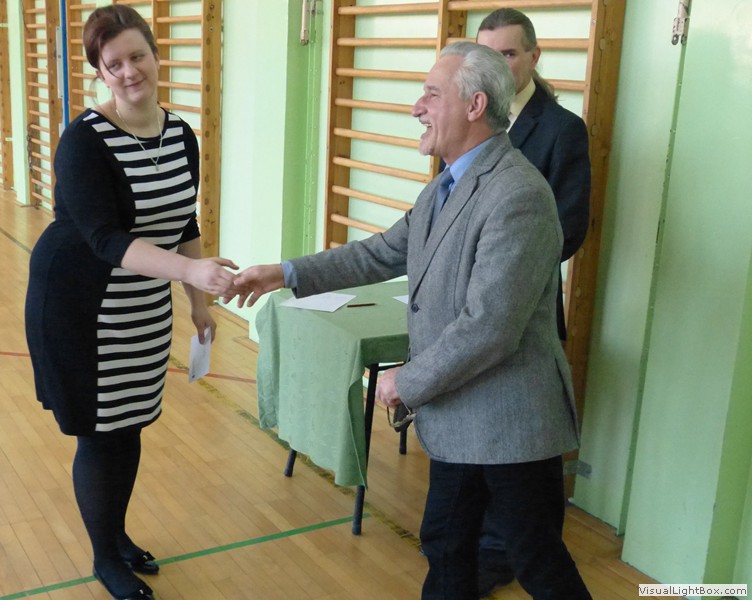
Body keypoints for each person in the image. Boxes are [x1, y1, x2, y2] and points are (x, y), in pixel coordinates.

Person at [232, 41, 591, 600]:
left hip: (509, 424)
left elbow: (490, 326)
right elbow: (379, 253)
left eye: (431, 94)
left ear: (474, 105)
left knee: (536, 559)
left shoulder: (518, 194)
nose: (416, 107)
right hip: (458, 414)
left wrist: (408, 380)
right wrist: (283, 273)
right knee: (445, 544)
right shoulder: (444, 188)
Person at [24, 6, 238, 599]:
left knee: (130, 424)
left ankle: (115, 536)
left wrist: (198, 301)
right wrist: (189, 271)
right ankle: (104, 557)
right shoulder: (84, 141)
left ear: (155, 54)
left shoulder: (180, 134)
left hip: (143, 304)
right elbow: (105, 240)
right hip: (80, 307)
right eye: (112, 63)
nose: (128, 71)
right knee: (101, 433)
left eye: (136, 56)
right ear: (99, 71)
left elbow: (183, 220)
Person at [474, 9, 592, 596]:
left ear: (534, 57)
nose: (497, 66)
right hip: (470, 306)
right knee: (477, 432)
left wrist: (502, 267)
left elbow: (568, 228)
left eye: (509, 54)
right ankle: (476, 544)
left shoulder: (561, 129)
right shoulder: (472, 117)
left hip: (524, 308)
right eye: (487, 55)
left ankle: (505, 553)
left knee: (515, 447)